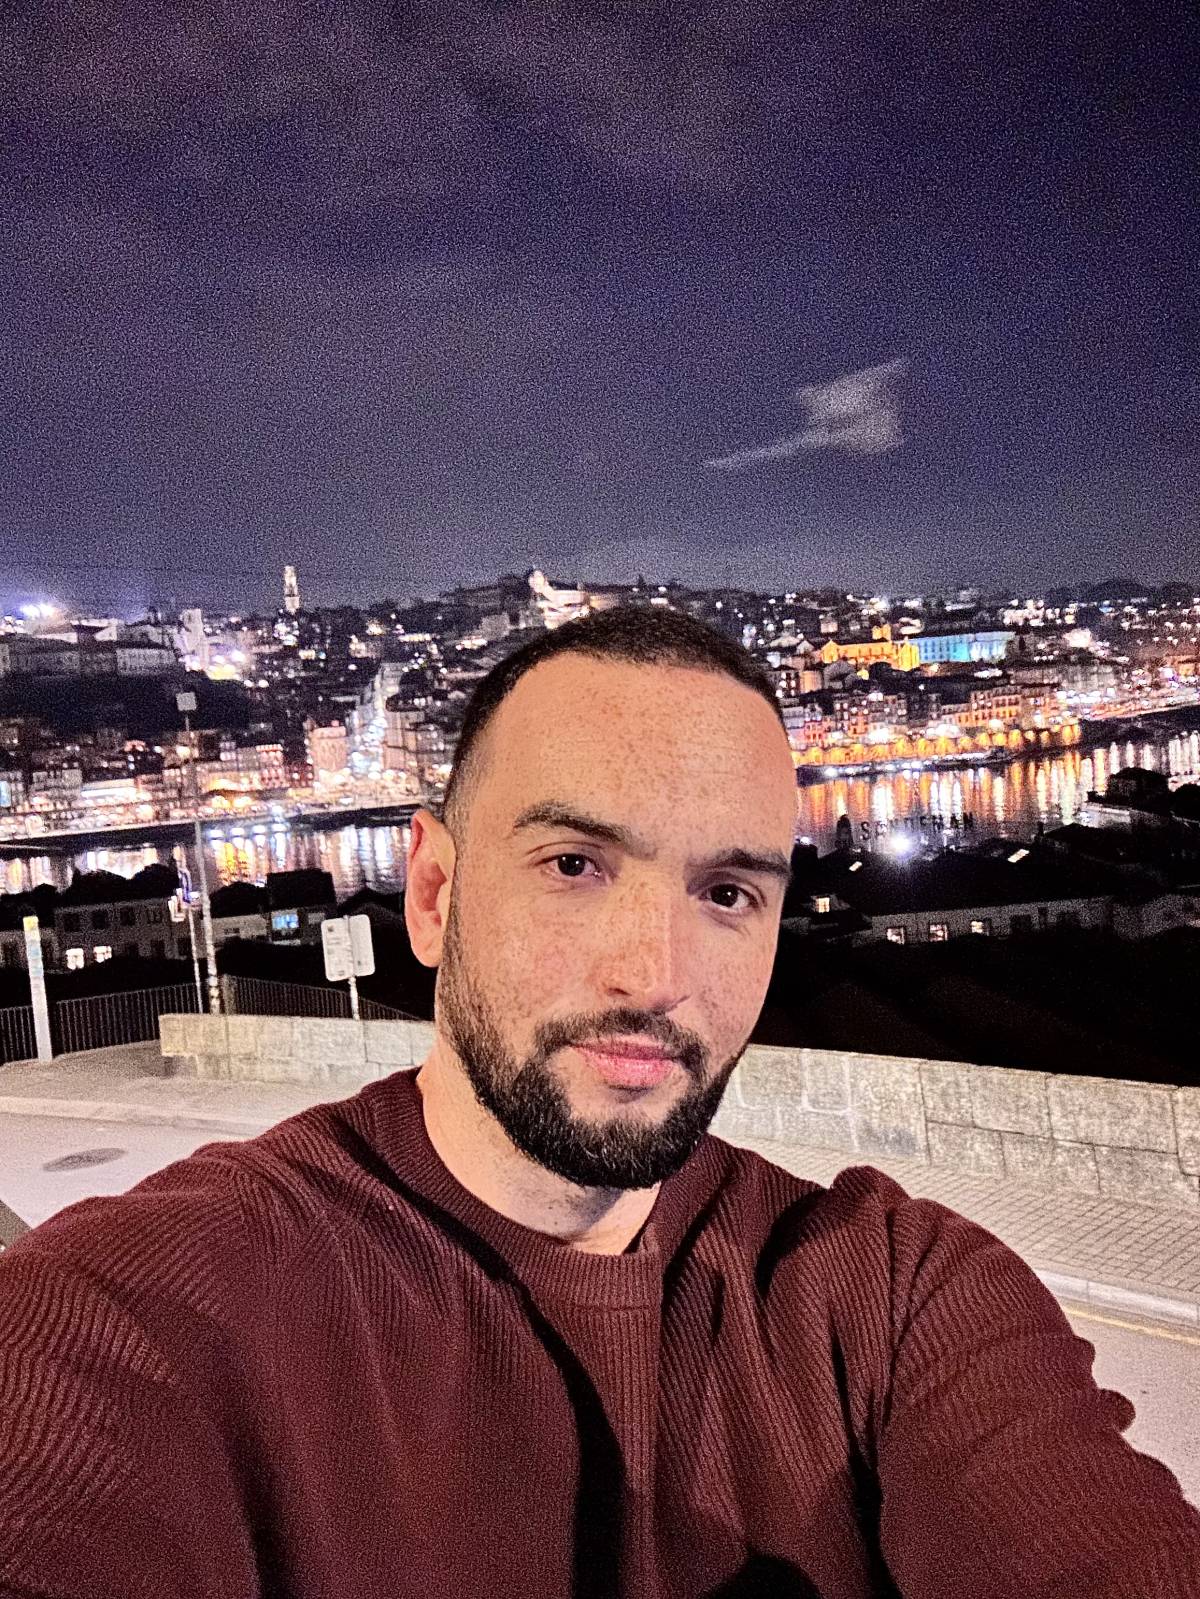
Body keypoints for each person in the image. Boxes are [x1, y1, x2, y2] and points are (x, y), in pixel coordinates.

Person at [1, 607, 1198, 1599]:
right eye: (574, 865)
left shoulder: (893, 1298)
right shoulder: (131, 1316)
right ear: (433, 894)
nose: (654, 974)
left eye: (727, 893)